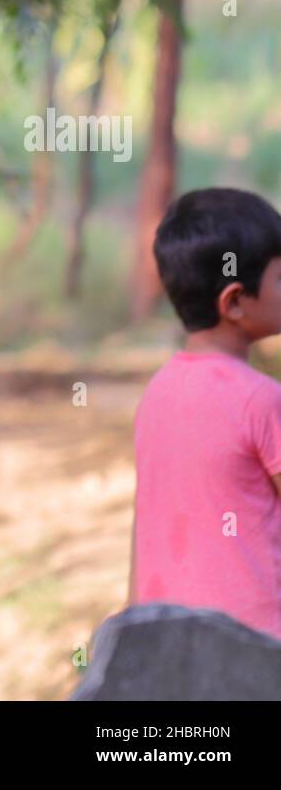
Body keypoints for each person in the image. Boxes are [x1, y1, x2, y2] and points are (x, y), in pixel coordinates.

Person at [131, 187, 281, 638]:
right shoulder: (263, 401)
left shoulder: (157, 393)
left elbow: (145, 525)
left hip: (169, 641)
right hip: (256, 650)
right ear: (234, 301)